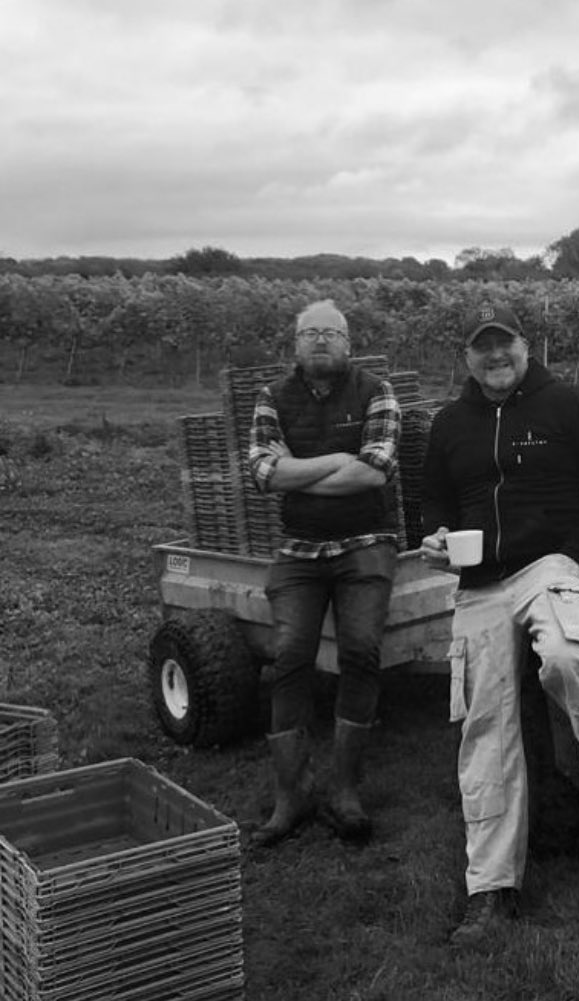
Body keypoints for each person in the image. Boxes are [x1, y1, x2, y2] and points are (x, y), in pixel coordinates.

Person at [420, 299, 579, 946]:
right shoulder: (449, 423)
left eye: (505, 343)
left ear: (526, 344)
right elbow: (431, 501)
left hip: (551, 564)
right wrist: (434, 534)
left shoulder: (567, 403)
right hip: (481, 584)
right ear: (466, 356)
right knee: (486, 728)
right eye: (481, 346)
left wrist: (575, 551)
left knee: (573, 656)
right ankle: (491, 891)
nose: (495, 356)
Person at [247, 299, 401, 846]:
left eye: (330, 333)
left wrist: (297, 473)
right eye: (309, 333)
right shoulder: (272, 397)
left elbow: (375, 471)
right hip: (298, 549)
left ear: (348, 343)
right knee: (289, 655)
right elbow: (263, 471)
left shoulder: (376, 391)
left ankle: (344, 789)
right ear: (294, 344)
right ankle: (291, 796)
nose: (319, 341)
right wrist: (338, 460)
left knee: (361, 649)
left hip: (366, 543)